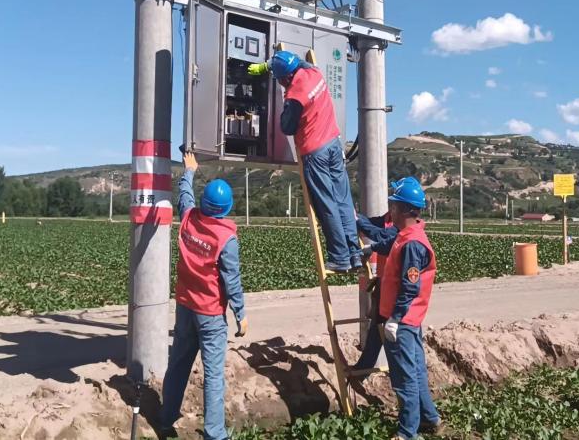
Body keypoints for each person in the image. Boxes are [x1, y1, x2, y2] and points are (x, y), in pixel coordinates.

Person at [160, 152, 248, 440]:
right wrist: (241, 314)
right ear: (227, 208)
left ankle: (166, 417)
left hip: (185, 308)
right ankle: (214, 434)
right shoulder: (226, 238)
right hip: (210, 315)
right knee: (212, 377)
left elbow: (184, 195)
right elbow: (231, 280)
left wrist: (190, 171)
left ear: (204, 204)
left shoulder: (188, 219)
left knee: (178, 365)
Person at [249, 50, 363, 273]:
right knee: (343, 200)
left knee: (326, 204)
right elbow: (292, 61)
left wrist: (285, 101)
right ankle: (355, 254)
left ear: (286, 79)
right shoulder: (314, 72)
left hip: (315, 153)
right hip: (333, 144)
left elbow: (287, 127)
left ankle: (340, 257)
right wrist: (267, 66)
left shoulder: (294, 96)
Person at [378, 177, 442, 439]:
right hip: (411, 320)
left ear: (404, 209)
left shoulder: (413, 244)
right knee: (416, 371)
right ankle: (430, 418)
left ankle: (407, 432)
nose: (389, 209)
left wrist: (394, 319)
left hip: (402, 321)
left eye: (393, 204)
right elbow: (392, 245)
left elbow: (410, 287)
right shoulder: (406, 236)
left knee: (405, 379)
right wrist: (371, 247)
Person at [352, 178, 417, 372]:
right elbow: (371, 225)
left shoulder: (403, 227)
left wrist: (359, 222)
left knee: (386, 328)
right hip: (384, 282)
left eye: (395, 202)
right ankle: (363, 370)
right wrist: (356, 219)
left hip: (396, 286)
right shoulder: (388, 219)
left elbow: (381, 235)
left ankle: (383, 371)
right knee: (377, 327)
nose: (392, 206)